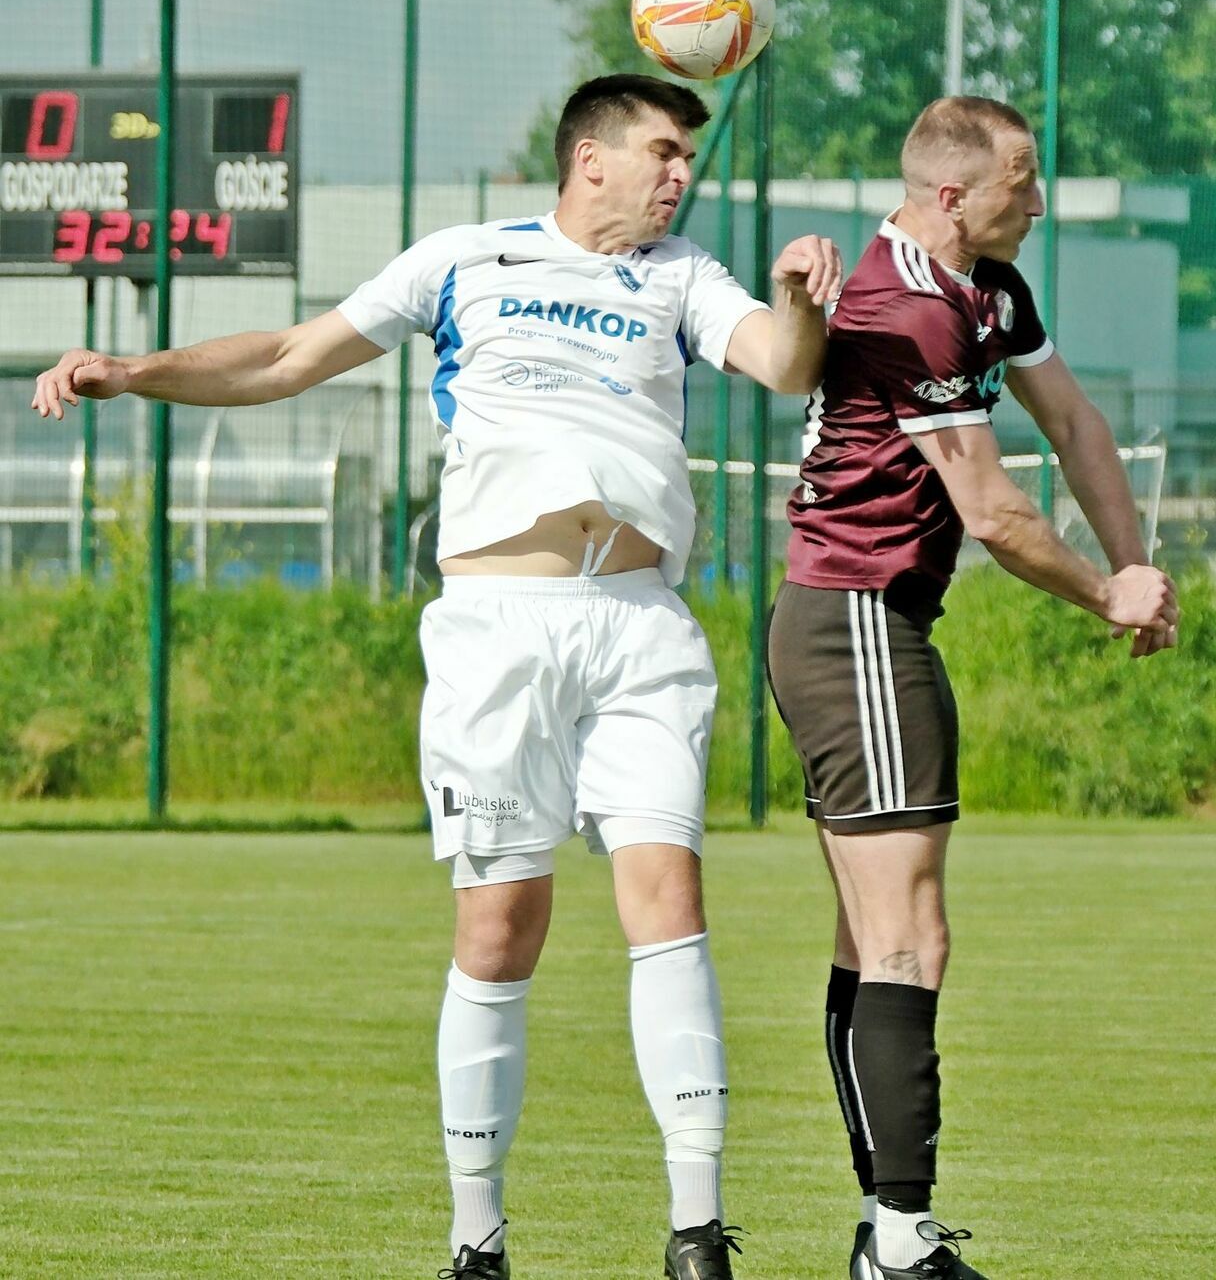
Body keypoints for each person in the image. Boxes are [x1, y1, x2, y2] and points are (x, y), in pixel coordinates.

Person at [33, 72, 841, 1280]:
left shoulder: (682, 275)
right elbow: (290, 356)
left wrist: (796, 299)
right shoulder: (464, 259)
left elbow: (784, 366)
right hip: (498, 627)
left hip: (639, 622)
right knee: (500, 925)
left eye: (688, 159)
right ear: (591, 160)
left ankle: (695, 1232)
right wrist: (134, 367)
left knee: (668, 903)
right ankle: (478, 1241)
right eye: (665, 152)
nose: (682, 175)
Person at [766, 96, 1178, 1280]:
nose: (1039, 199)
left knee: (873, 937)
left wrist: (1137, 558)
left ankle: (883, 1231)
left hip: (865, 625)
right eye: (1023, 179)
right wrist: (1107, 596)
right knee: (911, 938)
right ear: (953, 194)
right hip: (854, 626)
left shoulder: (988, 289)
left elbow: (1077, 422)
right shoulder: (903, 305)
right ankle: (900, 1237)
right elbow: (993, 513)